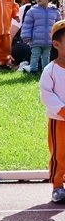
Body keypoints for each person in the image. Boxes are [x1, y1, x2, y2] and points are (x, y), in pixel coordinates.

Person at [39, 20, 65, 204]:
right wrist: (62, 110)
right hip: (60, 121)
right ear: (56, 44)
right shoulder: (51, 70)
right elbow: (46, 94)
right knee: (59, 154)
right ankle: (57, 185)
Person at [22, 0, 60, 75]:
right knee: (35, 55)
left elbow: (58, 25)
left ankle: (45, 70)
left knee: (46, 56)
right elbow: (27, 25)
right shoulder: (32, 11)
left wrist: (58, 37)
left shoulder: (55, 11)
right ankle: (33, 69)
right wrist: (26, 36)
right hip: (36, 39)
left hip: (48, 40)